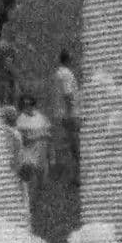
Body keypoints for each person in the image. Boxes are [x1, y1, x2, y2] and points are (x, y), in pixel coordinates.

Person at [51, 49, 80, 184]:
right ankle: (78, 176)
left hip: (62, 113)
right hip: (70, 114)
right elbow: (68, 94)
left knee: (71, 144)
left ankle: (73, 175)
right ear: (68, 59)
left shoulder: (58, 73)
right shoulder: (66, 74)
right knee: (76, 145)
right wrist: (71, 113)